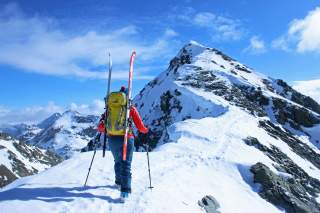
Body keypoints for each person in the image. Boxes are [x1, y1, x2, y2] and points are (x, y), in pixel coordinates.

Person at [97, 86, 148, 200]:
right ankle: (125, 192)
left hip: (112, 138)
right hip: (126, 137)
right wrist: (146, 130)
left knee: (118, 161)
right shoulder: (130, 108)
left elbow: (100, 127)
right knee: (126, 164)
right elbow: (140, 127)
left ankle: (118, 182)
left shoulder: (110, 108)